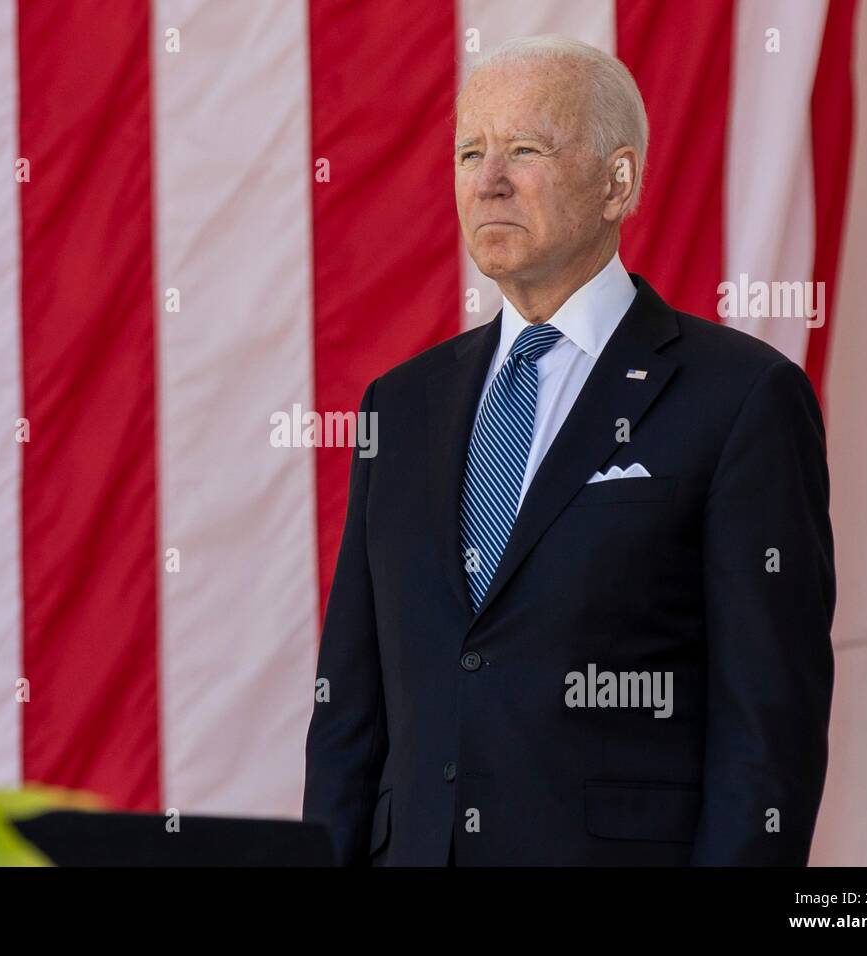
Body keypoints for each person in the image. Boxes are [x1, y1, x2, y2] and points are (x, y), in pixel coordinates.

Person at [302, 35, 835, 866]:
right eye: (470, 151)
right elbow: (349, 711)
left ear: (617, 181)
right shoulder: (398, 407)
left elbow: (769, 731)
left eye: (525, 149)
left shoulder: (741, 399)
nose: (489, 180)